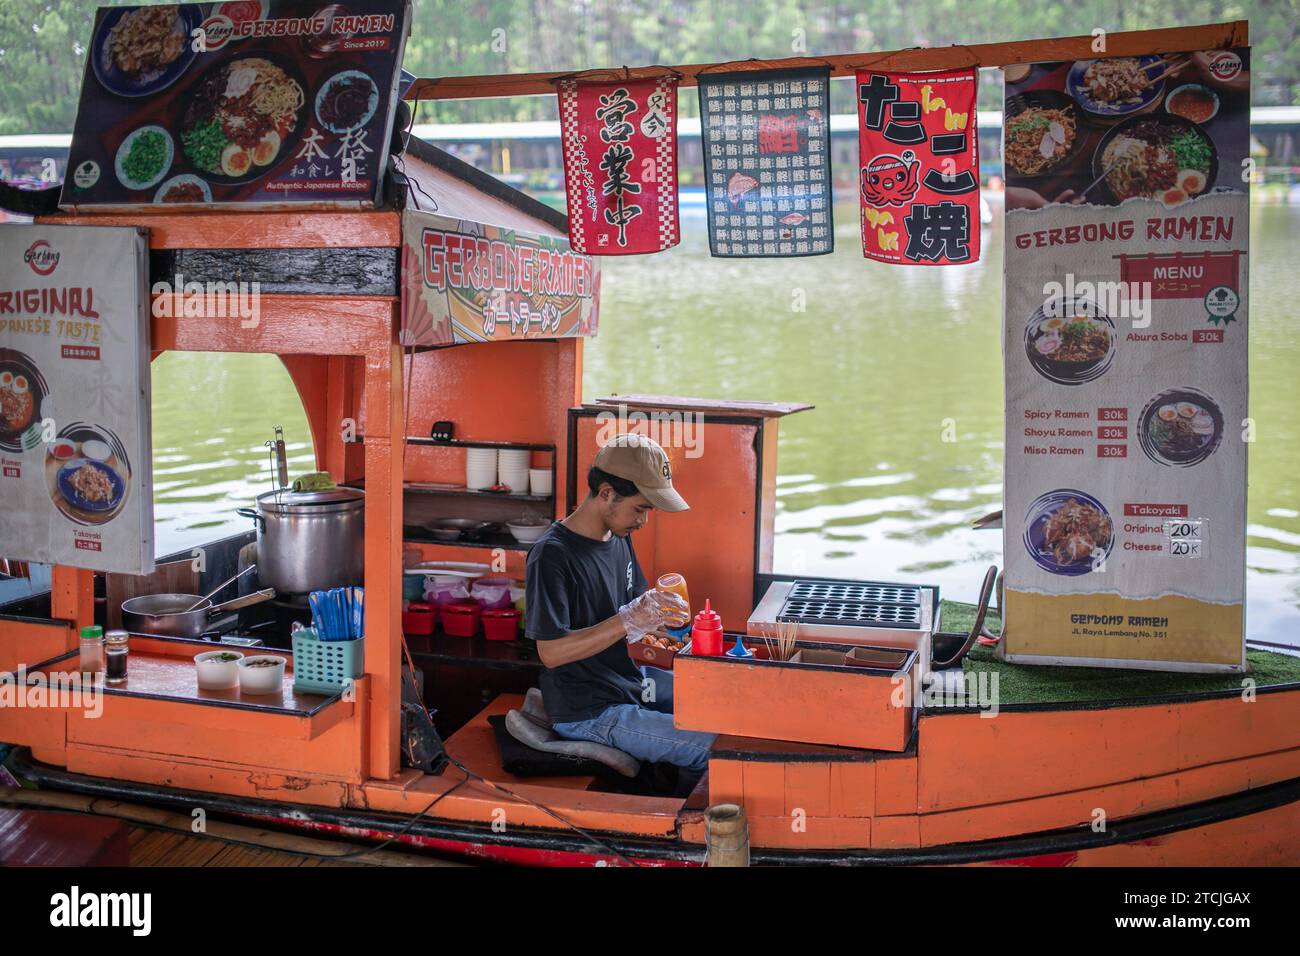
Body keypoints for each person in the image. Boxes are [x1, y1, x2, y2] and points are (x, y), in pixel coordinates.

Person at [524, 433, 715, 772]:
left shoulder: (617, 536)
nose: (643, 522)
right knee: (712, 748)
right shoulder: (551, 556)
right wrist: (629, 619)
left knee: (718, 703)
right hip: (588, 709)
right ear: (606, 493)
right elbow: (551, 653)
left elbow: (633, 607)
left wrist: (659, 617)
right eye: (639, 509)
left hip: (628, 682)